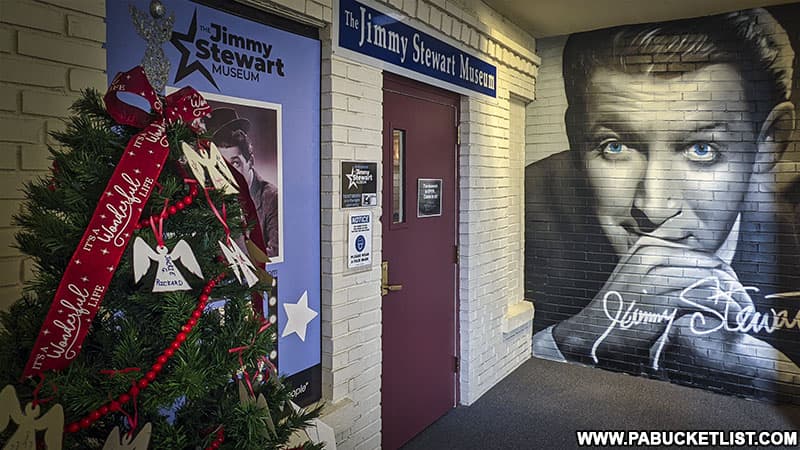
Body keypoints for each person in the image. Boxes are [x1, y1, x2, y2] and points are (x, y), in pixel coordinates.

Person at [525, 8, 800, 399]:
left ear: (768, 143)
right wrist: (575, 340)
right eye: (614, 146)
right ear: (575, 135)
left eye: (702, 149)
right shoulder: (519, 213)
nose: (653, 207)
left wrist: (778, 379)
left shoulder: (789, 240)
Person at [206, 108, 280, 258]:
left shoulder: (271, 197)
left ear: (250, 161)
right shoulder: (212, 195)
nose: (229, 174)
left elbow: (273, 254)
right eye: (221, 165)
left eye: (235, 164)